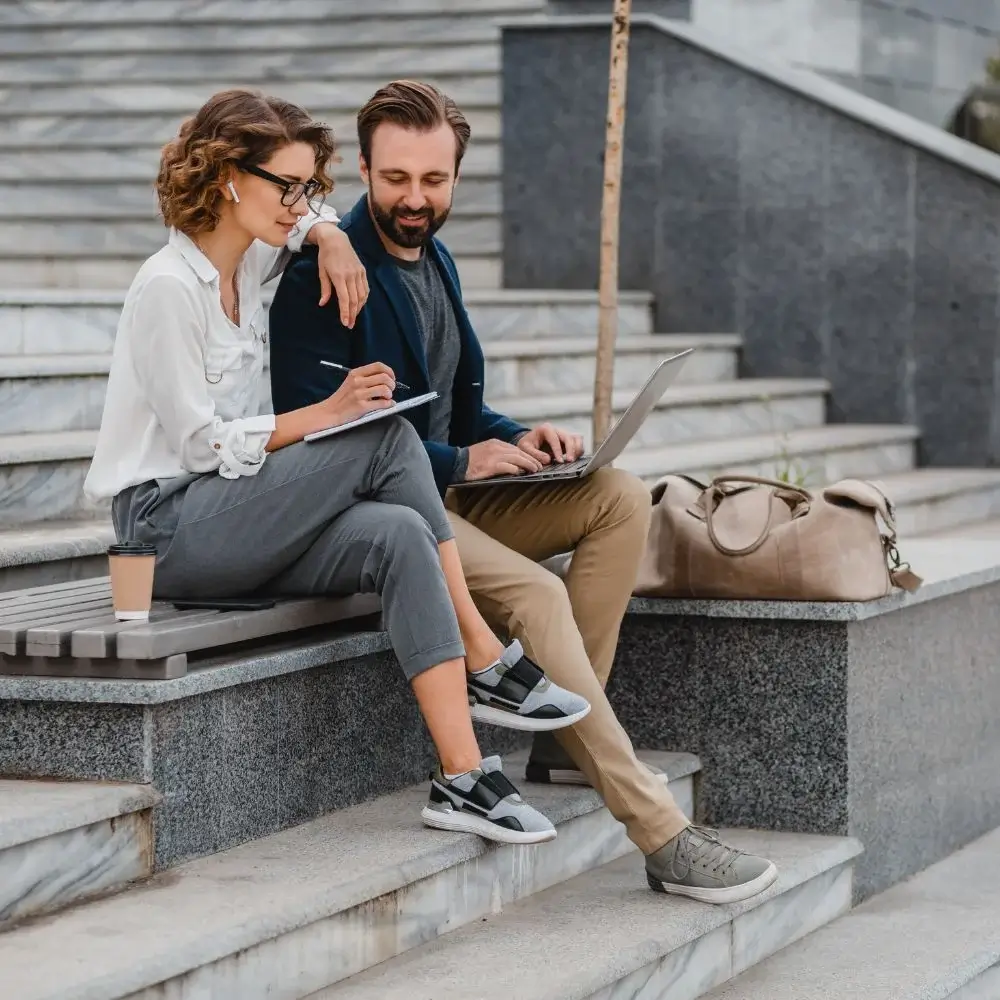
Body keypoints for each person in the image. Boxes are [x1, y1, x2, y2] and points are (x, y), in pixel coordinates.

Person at [268, 79, 779, 904]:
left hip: (450, 488)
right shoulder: (322, 272)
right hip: (381, 513)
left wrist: (516, 436)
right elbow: (320, 435)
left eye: (434, 181)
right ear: (363, 167)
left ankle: (560, 742)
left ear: (457, 176)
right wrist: (462, 464)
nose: (414, 199)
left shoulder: (436, 258)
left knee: (617, 494)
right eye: (396, 179)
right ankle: (660, 832)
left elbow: (453, 407)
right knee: (539, 595)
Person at [82, 88, 593, 847]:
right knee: (381, 433)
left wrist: (330, 237)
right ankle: (484, 651)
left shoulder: (257, 261)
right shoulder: (167, 288)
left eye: (307, 186)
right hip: (164, 531)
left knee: (398, 535)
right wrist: (326, 415)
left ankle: (463, 777)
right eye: (287, 187)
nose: (301, 203)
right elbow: (198, 446)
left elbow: (315, 221)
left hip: (236, 515)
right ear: (228, 179)